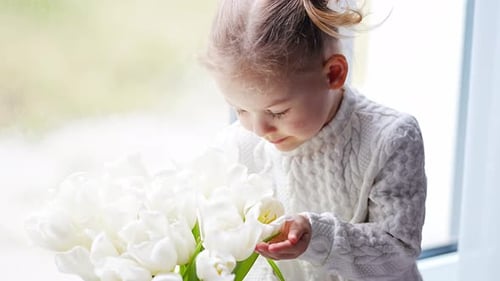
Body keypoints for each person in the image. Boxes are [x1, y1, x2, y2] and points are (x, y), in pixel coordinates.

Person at [203, 0, 427, 280]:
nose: (259, 129)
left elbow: (398, 252)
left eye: (277, 111)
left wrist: (319, 239)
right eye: (240, 109)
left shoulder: (390, 139)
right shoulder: (237, 146)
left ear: (333, 74)